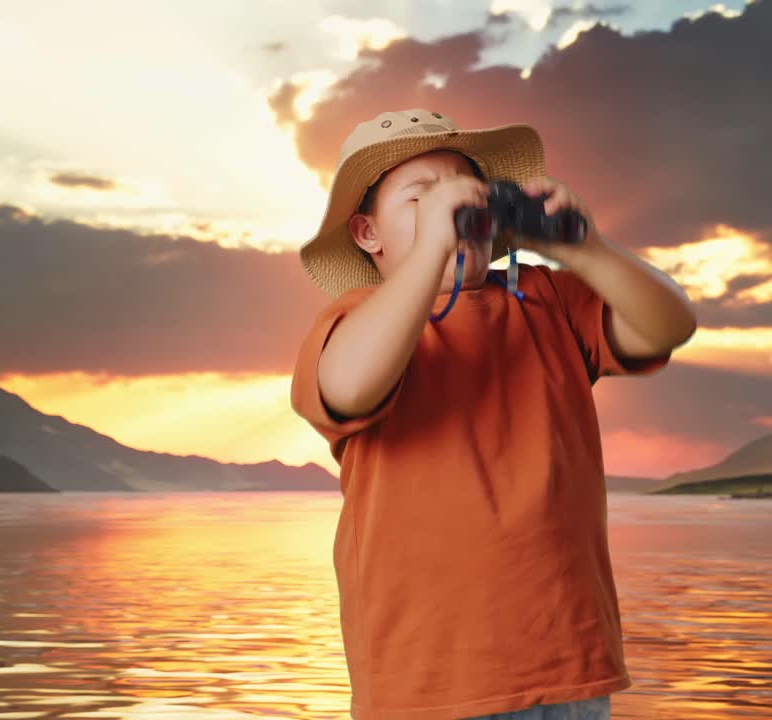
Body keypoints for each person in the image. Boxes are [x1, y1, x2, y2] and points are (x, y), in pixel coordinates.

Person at [290, 108, 696, 720]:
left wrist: (587, 250)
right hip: (427, 681)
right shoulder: (356, 322)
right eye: (421, 198)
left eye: (466, 196)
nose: (450, 210)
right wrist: (431, 252)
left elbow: (670, 325)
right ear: (368, 233)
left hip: (568, 665)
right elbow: (349, 387)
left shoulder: (549, 301)